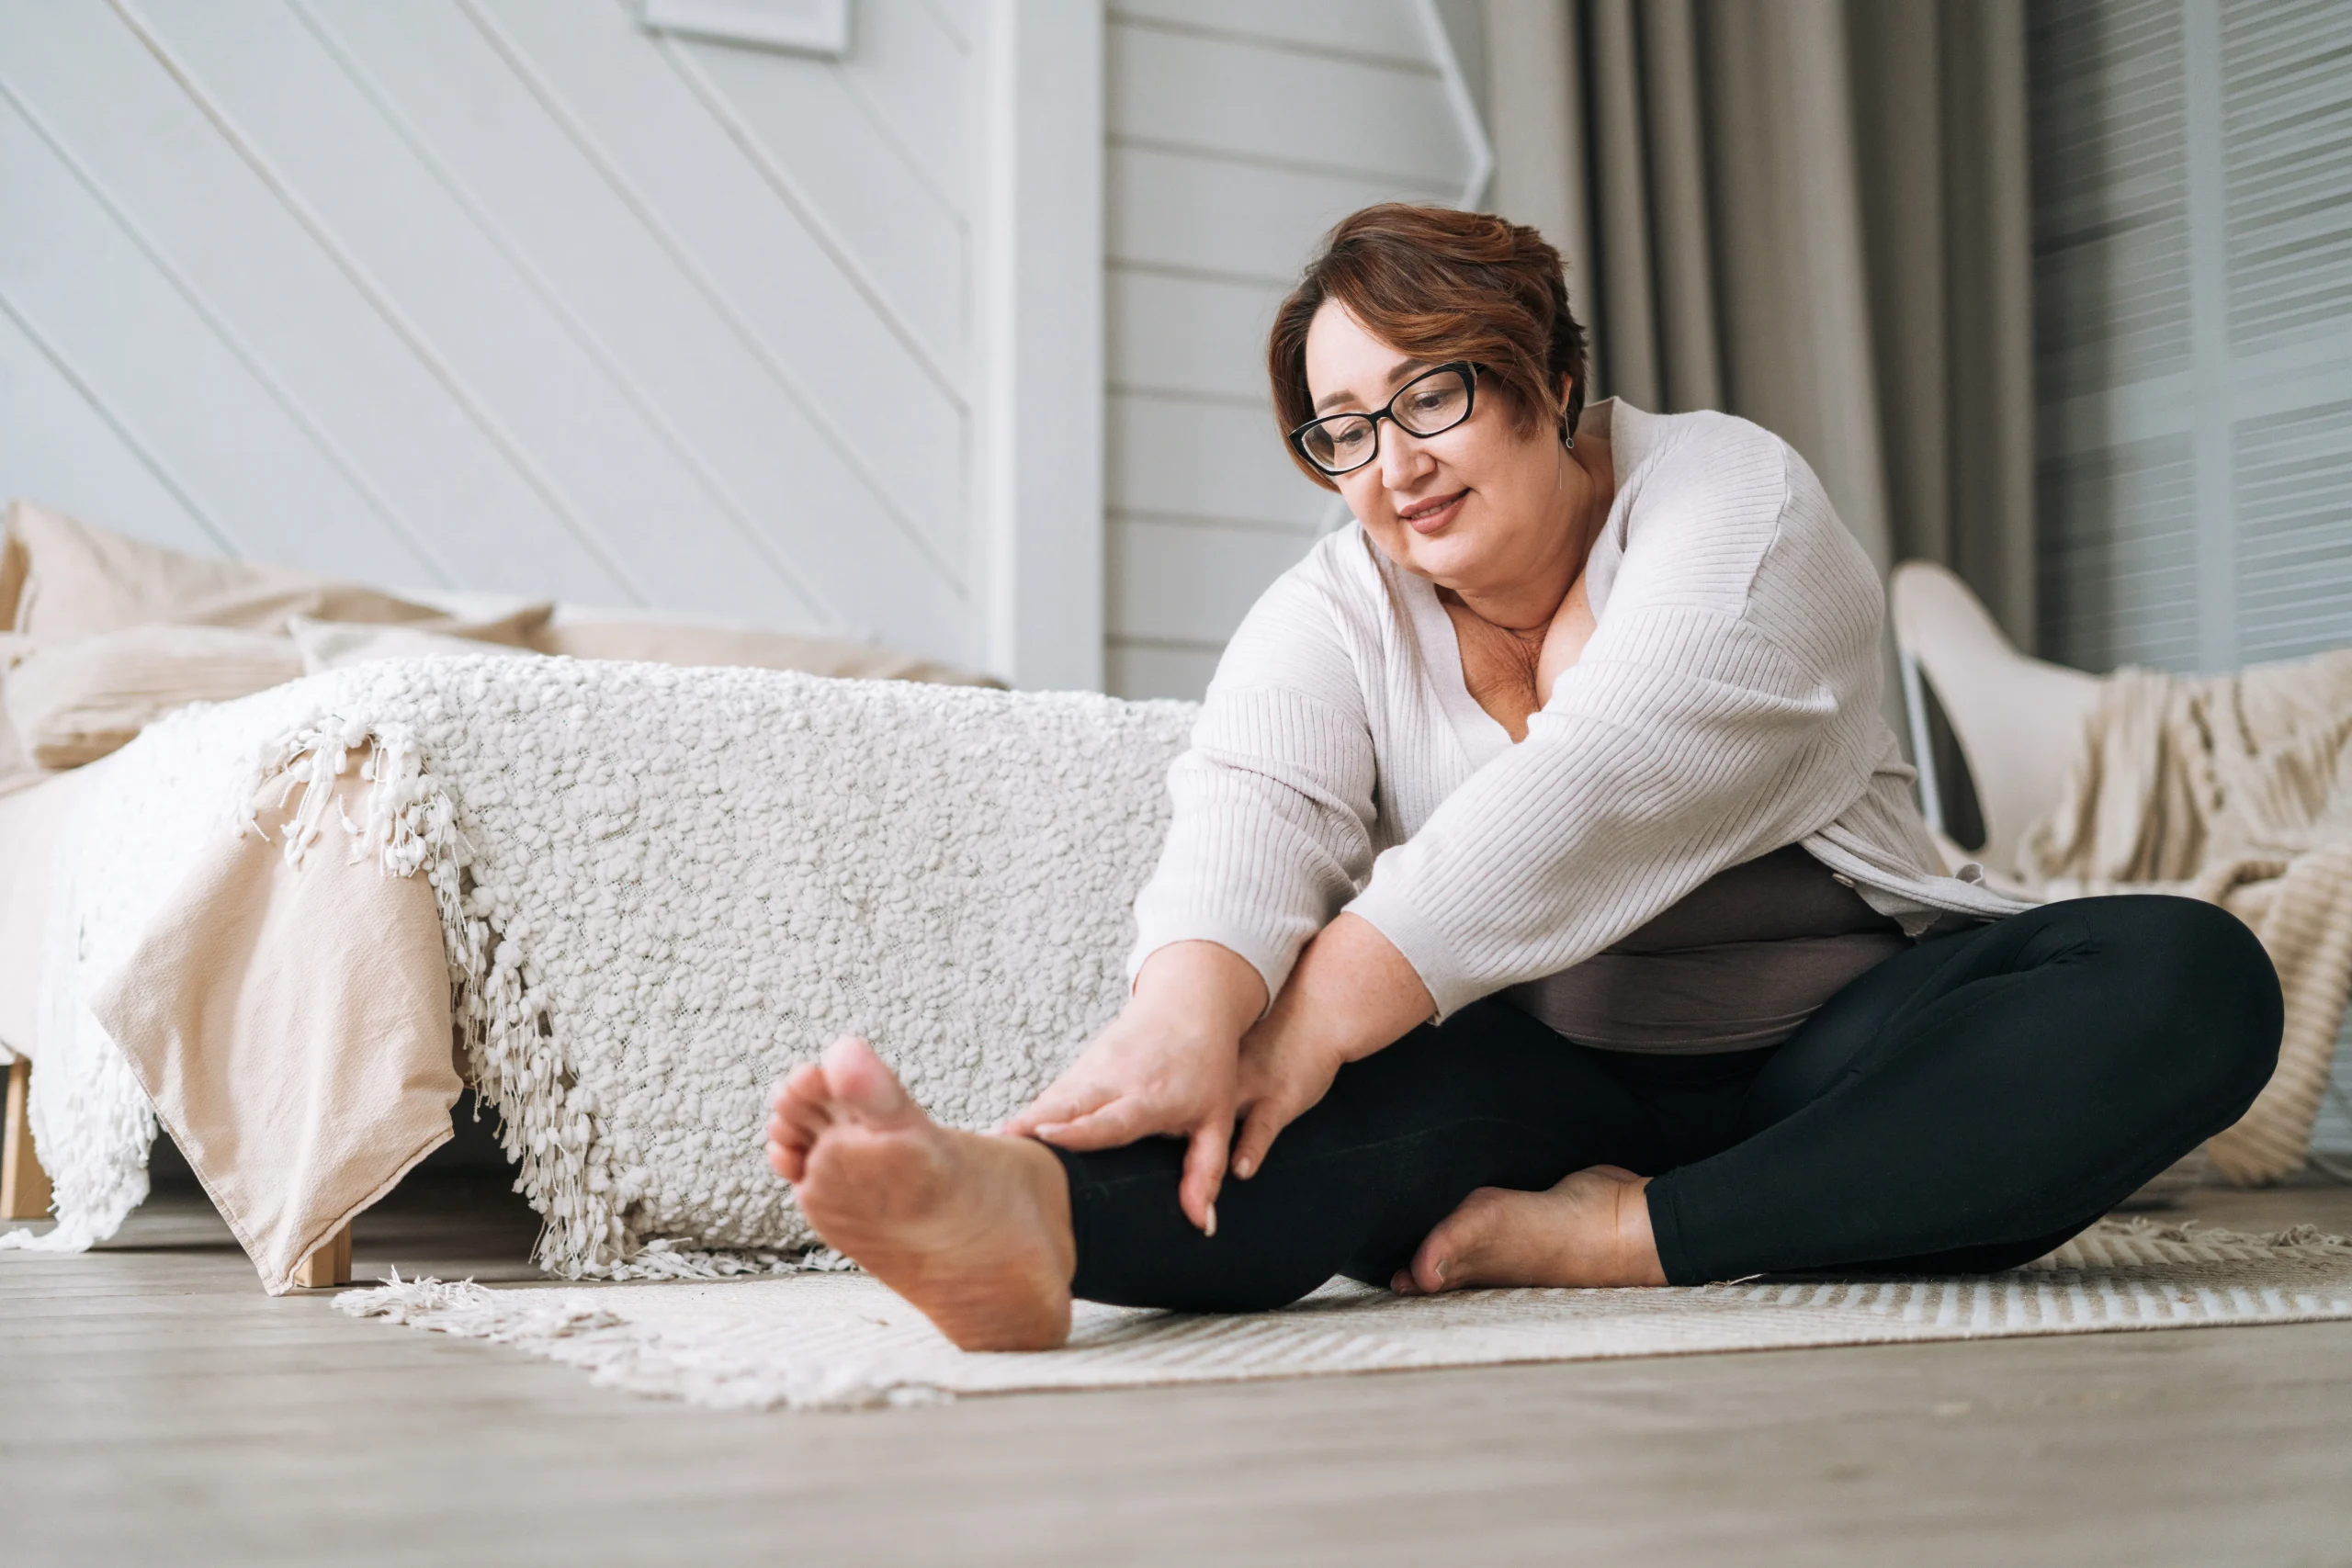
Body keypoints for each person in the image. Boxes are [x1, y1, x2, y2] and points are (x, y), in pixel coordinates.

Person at [763, 204, 2283, 1352]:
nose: (1393, 465)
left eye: (1435, 394)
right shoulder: (1335, 605)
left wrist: (1309, 1014)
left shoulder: (1733, 504)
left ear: (1551, 376)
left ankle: (1635, 1237)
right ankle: (1021, 1219)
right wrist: (1191, 1014)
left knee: (2189, 975)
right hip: (1554, 1079)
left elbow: (1594, 785)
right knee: (1307, 1093)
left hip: (1843, 1048)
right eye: (1343, 430)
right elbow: (1251, 805)